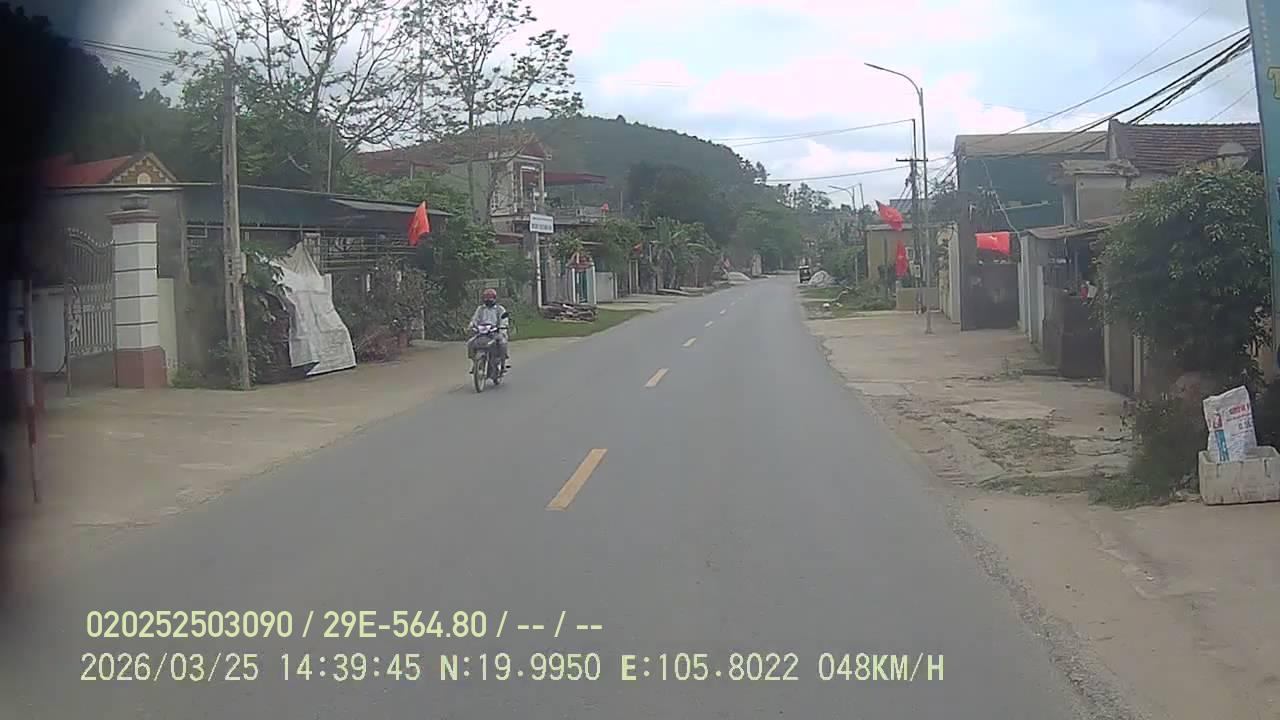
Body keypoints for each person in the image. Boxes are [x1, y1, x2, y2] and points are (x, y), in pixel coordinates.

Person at [469, 288, 509, 367]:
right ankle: (475, 362)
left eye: (490, 298)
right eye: (486, 298)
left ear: (494, 298)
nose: (488, 300)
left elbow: (504, 320)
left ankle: (502, 362)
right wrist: (472, 325)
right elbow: (475, 319)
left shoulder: (500, 309)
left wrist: (502, 327)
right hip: (482, 331)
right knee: (470, 343)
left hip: (495, 331)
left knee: (502, 343)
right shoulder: (480, 309)